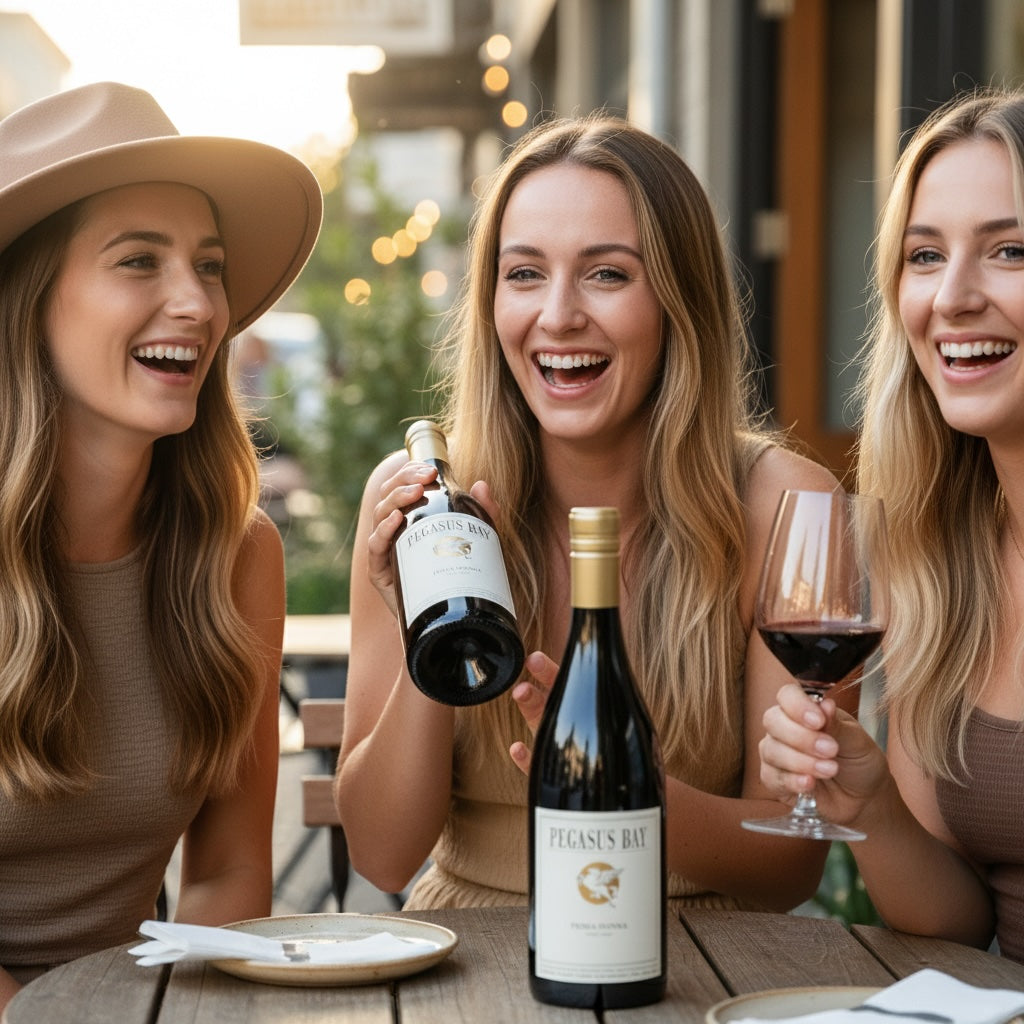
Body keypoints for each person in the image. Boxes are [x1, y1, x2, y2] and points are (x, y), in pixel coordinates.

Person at [335, 114, 841, 913]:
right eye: (525, 274)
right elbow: (382, 853)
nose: (559, 315)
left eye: (607, 274)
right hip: (471, 962)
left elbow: (790, 869)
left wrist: (610, 780)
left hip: (700, 964)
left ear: (680, 300)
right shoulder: (421, 501)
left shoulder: (786, 506)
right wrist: (430, 633)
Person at [0, 80, 322, 1008]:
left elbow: (225, 882)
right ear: (31, 298)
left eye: (209, 264)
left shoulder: (236, 558)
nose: (197, 303)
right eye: (139, 260)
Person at [757, 88, 1024, 963]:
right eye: (924, 255)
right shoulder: (938, 559)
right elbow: (958, 922)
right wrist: (867, 805)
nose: (953, 297)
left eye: (1011, 251)